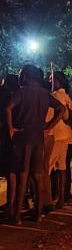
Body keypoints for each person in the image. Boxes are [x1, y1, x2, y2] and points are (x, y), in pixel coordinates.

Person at [6, 65, 65, 224]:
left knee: (22, 176)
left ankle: (16, 215)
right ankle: (38, 213)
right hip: (38, 137)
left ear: (25, 76)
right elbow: (61, 109)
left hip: (23, 136)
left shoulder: (22, 91)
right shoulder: (45, 93)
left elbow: (8, 107)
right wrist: (49, 126)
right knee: (38, 176)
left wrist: (11, 128)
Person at [45, 71, 72, 209]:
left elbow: (62, 113)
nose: (49, 81)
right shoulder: (66, 96)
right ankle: (62, 197)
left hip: (56, 135)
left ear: (59, 81)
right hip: (67, 136)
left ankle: (47, 199)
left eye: (52, 79)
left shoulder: (56, 95)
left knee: (46, 168)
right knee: (63, 167)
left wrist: (48, 126)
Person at [0, 75, 20, 217]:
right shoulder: (20, 96)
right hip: (18, 137)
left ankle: (11, 206)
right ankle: (14, 204)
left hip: (6, 138)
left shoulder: (5, 95)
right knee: (16, 173)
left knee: (11, 173)